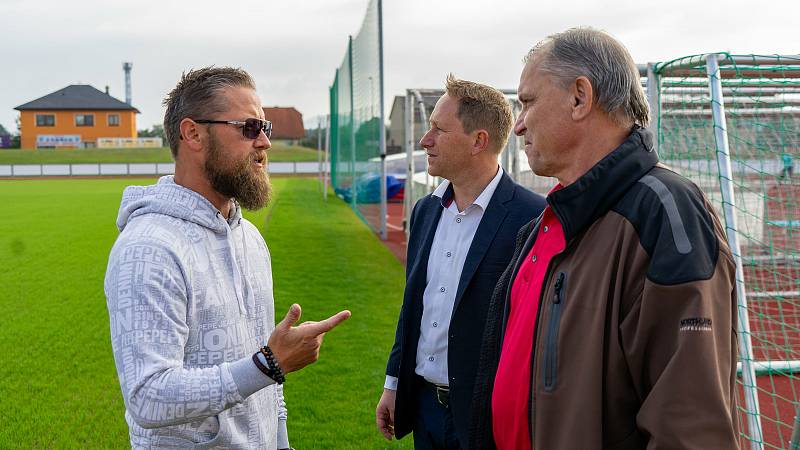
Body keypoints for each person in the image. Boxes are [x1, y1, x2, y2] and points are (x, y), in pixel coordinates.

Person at [469, 28, 740, 450]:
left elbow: (689, 428)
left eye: (527, 102)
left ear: (580, 97)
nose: (518, 125)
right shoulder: (550, 220)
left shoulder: (665, 214)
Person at [104, 67, 350, 449]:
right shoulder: (150, 248)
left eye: (265, 126)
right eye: (249, 127)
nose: (265, 141)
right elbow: (148, 397)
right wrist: (269, 364)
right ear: (193, 134)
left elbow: (266, 377)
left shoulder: (249, 237)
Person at [375, 75, 546, 449]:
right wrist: (393, 383)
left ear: (478, 141)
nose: (425, 140)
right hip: (423, 408)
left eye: (438, 129)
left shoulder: (532, 218)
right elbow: (412, 307)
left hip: (487, 415)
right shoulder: (425, 211)